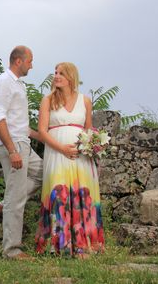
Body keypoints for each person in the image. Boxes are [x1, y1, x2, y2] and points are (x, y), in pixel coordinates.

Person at [35, 62, 105, 257]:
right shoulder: (48, 100)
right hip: (57, 154)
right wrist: (62, 148)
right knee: (59, 195)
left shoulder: (85, 101)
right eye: (55, 72)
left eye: (61, 73)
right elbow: (41, 131)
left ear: (71, 77)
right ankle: (58, 246)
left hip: (81, 158)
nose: (56, 76)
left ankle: (85, 244)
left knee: (82, 196)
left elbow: (88, 130)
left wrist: (91, 145)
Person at [0, 45, 43, 259]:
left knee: (44, 173)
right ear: (18, 61)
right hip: (12, 145)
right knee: (17, 199)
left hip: (23, 142)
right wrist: (12, 150)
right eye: (30, 60)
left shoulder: (18, 85)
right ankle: (11, 250)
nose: (32, 64)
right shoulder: (3, 82)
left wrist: (50, 138)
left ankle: (7, 203)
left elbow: (24, 127)